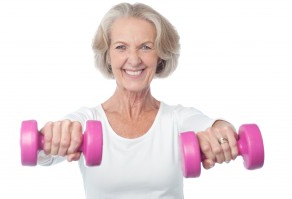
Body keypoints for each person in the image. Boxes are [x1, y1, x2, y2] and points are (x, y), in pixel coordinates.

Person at [38, 2, 238, 198]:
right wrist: (53, 137)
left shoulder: (176, 119)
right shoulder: (88, 121)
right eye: (121, 47)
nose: (133, 60)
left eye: (145, 47)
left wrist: (222, 131)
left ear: (160, 55)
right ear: (108, 56)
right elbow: (42, 156)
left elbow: (211, 126)